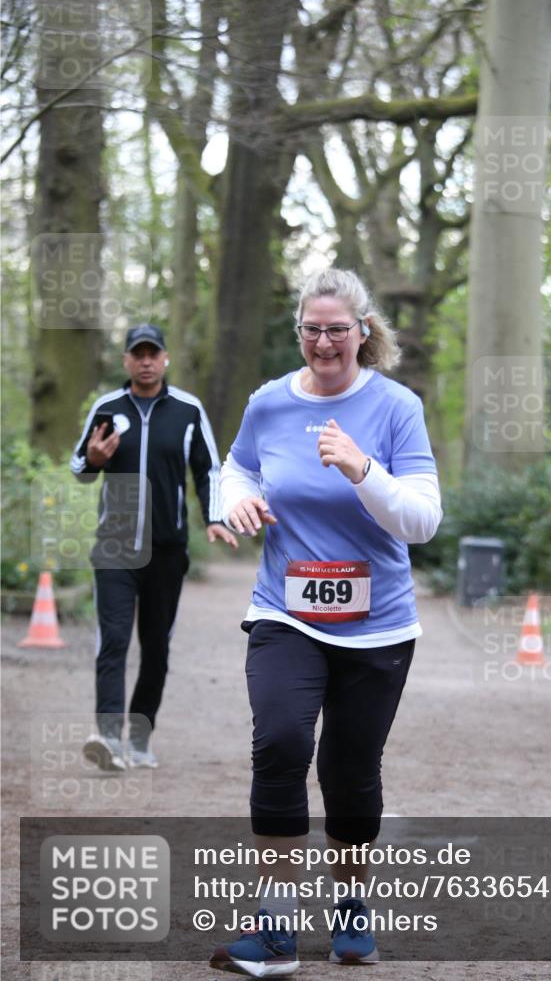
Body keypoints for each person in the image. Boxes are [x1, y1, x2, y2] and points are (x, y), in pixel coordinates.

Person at [210, 269, 442, 975]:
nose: (323, 342)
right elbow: (237, 466)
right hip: (285, 611)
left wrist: (361, 467)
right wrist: (235, 502)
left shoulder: (396, 406)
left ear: (362, 333)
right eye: (311, 329)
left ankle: (349, 909)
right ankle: (276, 932)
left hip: (378, 627)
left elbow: (423, 520)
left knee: (348, 773)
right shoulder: (269, 403)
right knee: (280, 744)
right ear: (300, 332)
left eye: (337, 329)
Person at [71, 324, 237, 772]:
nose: (145, 360)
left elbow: (208, 470)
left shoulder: (187, 410)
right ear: (126, 361)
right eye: (136, 353)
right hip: (115, 548)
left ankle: (140, 738)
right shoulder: (106, 408)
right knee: (114, 641)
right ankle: (107, 736)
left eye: (153, 353)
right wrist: (95, 460)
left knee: (156, 647)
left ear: (165, 359)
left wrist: (215, 518)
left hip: (167, 549)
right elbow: (79, 467)